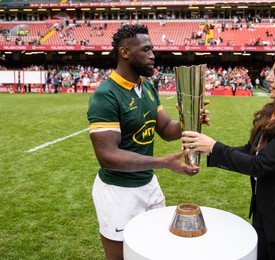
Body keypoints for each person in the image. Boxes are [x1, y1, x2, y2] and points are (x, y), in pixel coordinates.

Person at [182, 48, 275, 260]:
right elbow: (250, 152)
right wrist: (205, 149)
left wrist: (214, 147)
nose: (268, 77)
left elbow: (260, 165)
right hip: (266, 216)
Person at [87, 24, 210, 260]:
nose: (153, 55)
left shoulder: (147, 87)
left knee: (153, 250)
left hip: (149, 185)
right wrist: (164, 162)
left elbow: (164, 128)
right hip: (118, 192)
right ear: (125, 53)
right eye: (146, 50)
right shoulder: (106, 95)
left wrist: (191, 120)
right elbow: (107, 156)